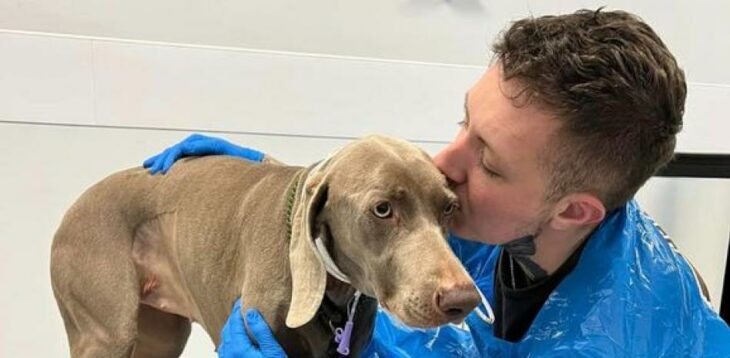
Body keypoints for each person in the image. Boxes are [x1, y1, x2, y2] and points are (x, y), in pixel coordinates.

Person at [144, 8, 730, 357]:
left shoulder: (639, 332)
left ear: (574, 212)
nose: (444, 163)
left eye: (490, 163)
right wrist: (287, 186)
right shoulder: (486, 217)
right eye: (464, 122)